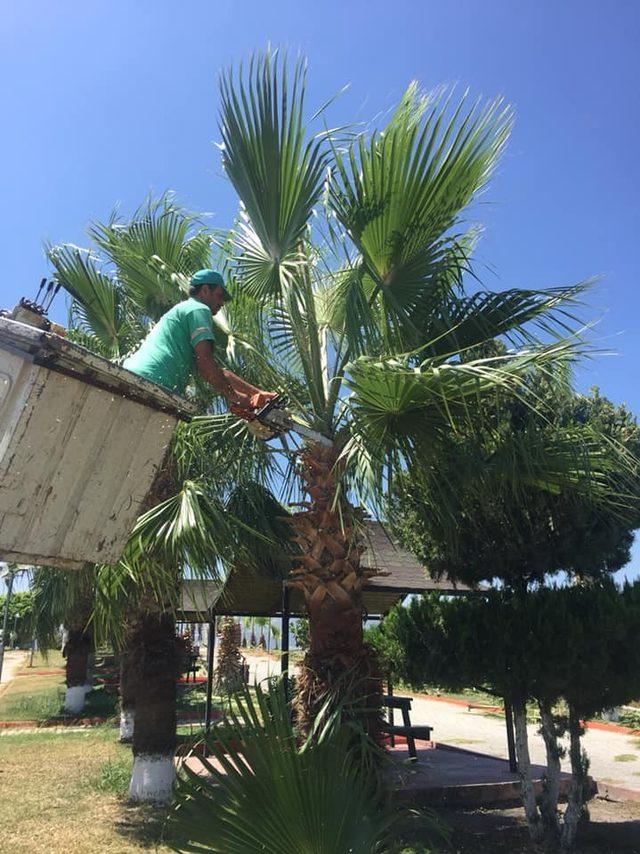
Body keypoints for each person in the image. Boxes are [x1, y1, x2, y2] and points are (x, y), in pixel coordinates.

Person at [123, 269, 276, 412]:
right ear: (204, 290)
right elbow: (206, 365)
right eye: (219, 295)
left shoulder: (183, 309)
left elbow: (215, 371)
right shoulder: (198, 309)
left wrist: (257, 394)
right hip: (153, 380)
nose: (222, 303)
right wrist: (234, 396)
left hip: (135, 374)